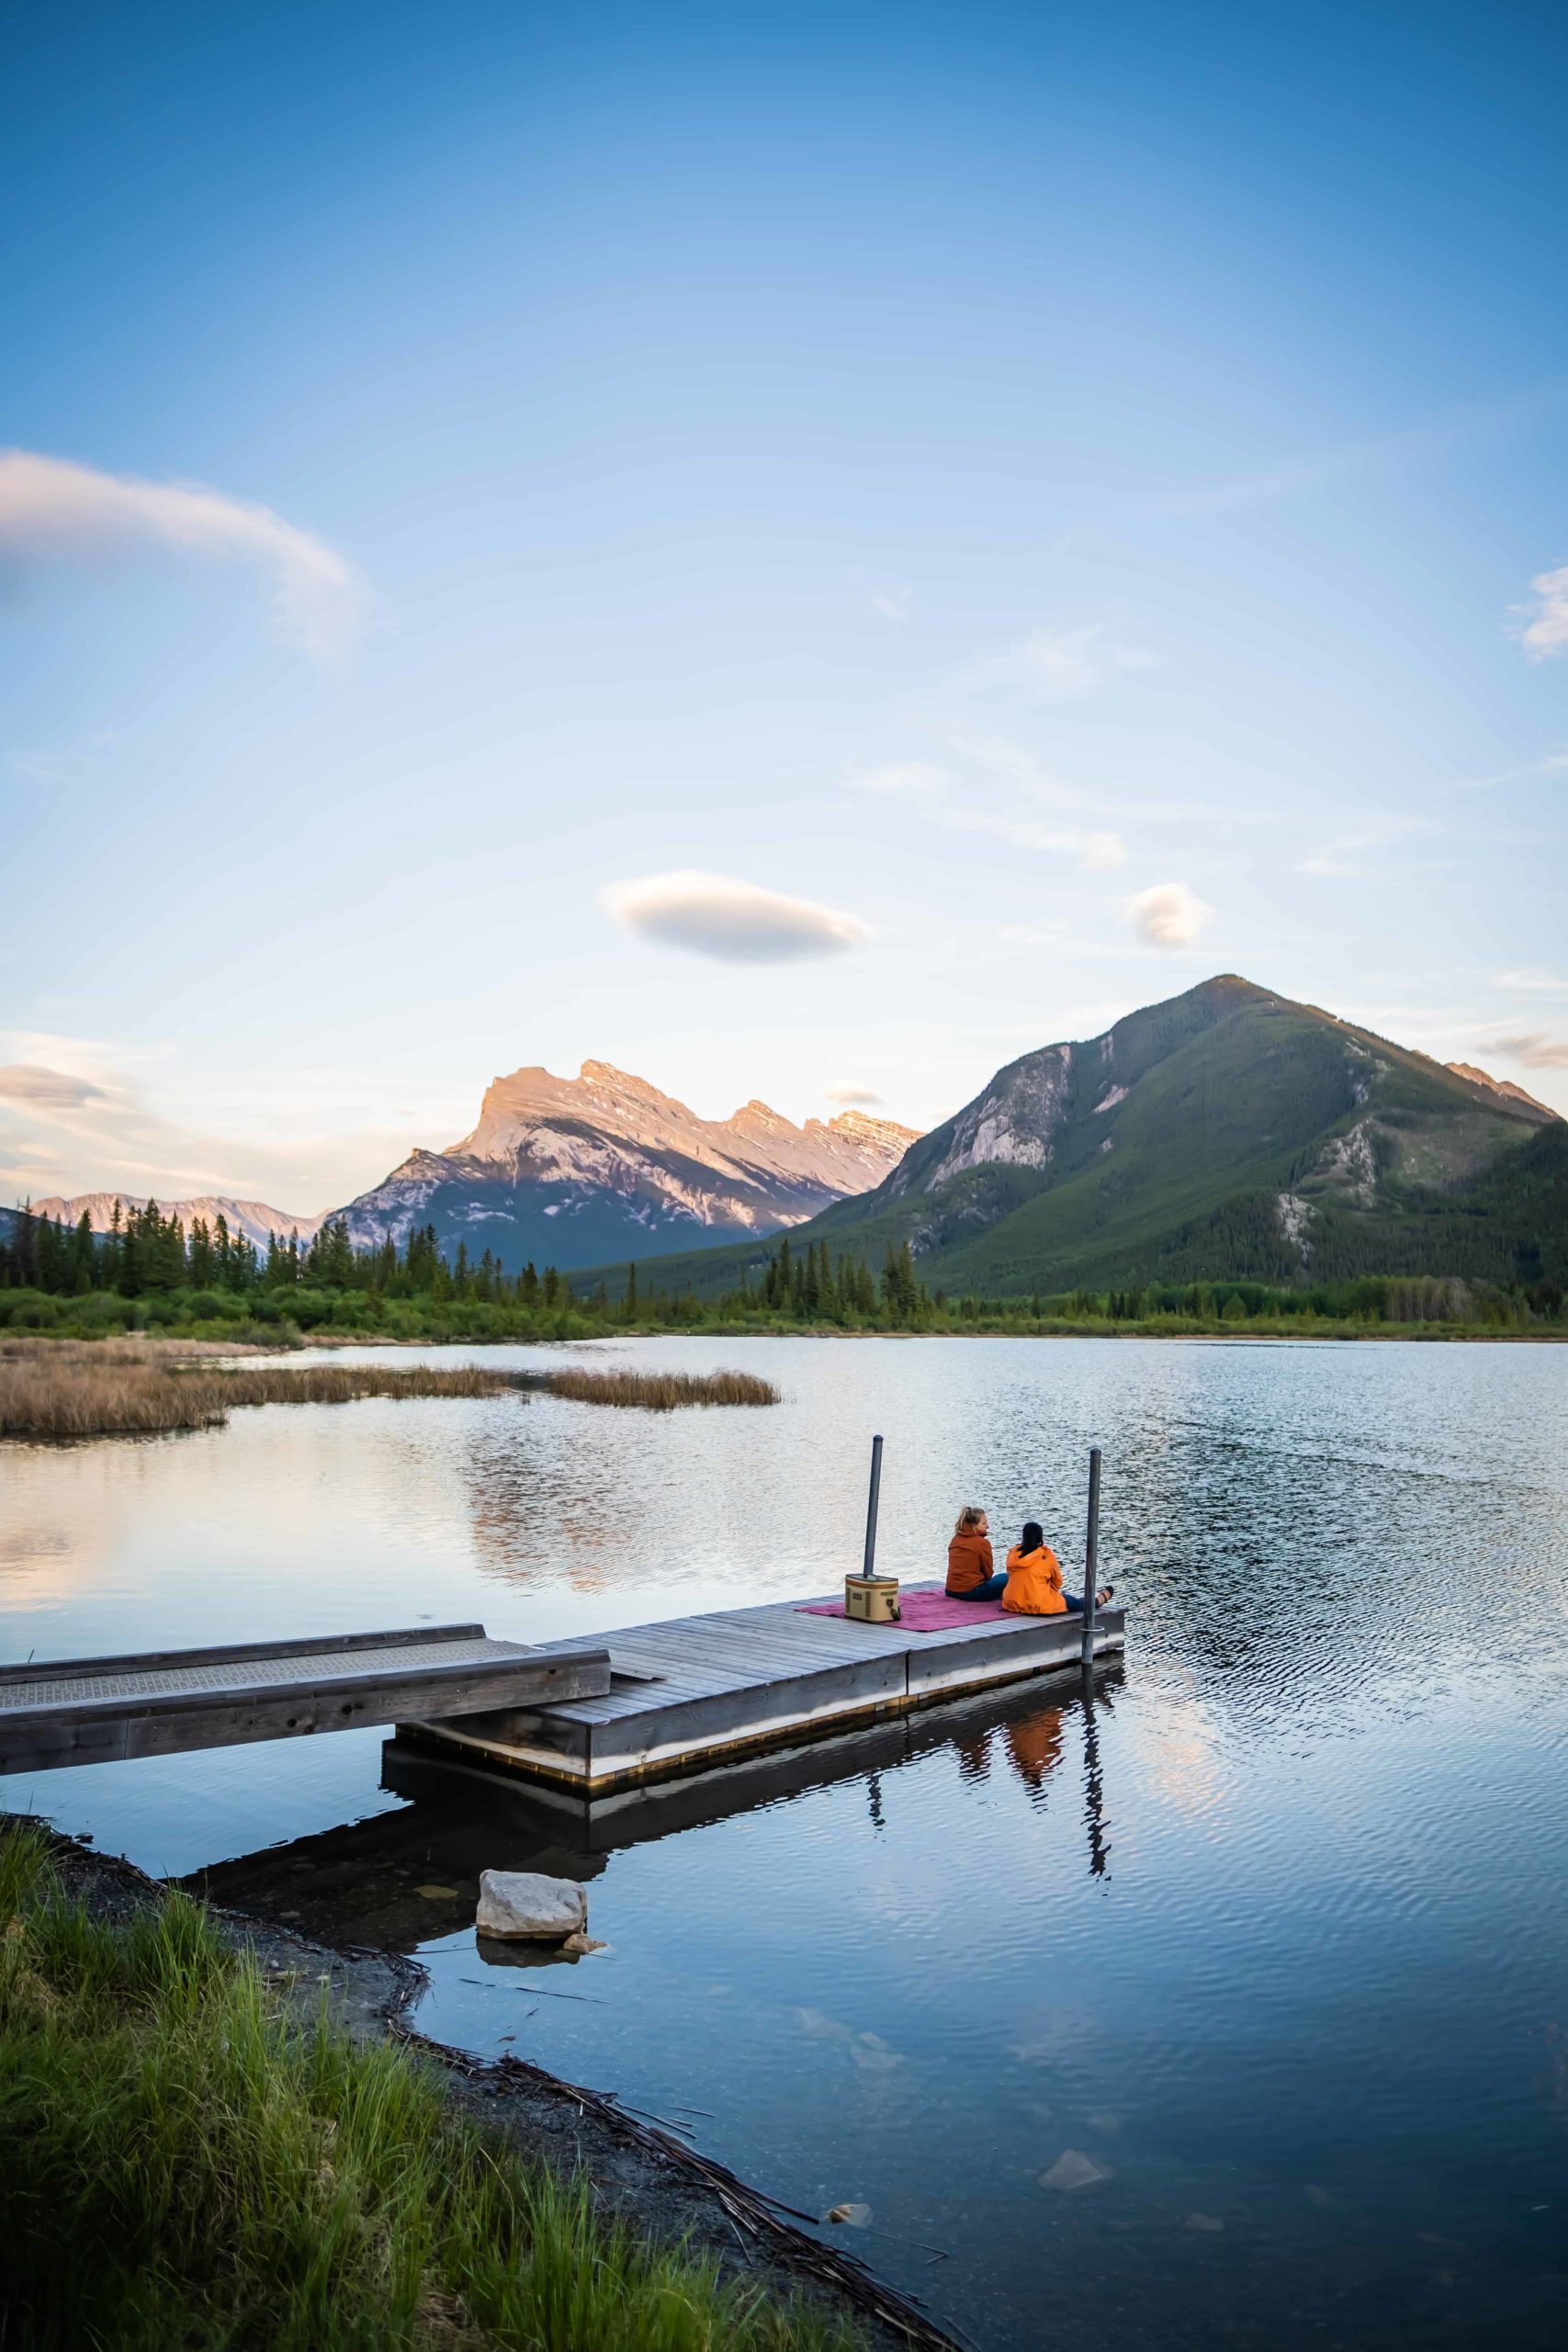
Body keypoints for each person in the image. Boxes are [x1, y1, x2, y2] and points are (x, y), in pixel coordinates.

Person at [1002, 1521, 1114, 1617]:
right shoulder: (1046, 1555)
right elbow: (1057, 1581)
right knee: (1070, 1601)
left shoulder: (1013, 1553)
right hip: (1040, 1605)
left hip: (1012, 1602)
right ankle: (1096, 1602)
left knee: (1057, 1595)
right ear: (1040, 1537)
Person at [946, 1506, 1008, 1602]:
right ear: (973, 1526)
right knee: (1009, 1577)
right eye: (984, 1523)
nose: (987, 1526)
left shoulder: (955, 1539)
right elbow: (988, 1573)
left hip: (950, 1591)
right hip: (970, 1593)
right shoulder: (981, 1543)